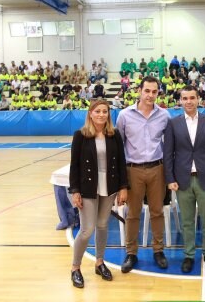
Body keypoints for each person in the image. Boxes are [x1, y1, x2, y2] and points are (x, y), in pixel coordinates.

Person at [68, 99, 128, 288]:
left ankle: (99, 262)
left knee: (103, 225)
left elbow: (121, 163)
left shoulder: (114, 134)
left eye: (105, 111)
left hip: (109, 186)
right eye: (98, 111)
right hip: (88, 187)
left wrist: (123, 187)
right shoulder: (81, 135)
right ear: (90, 113)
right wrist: (75, 190)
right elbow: (74, 165)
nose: (102, 114)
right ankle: (75, 267)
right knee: (87, 230)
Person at [164, 85, 205, 273]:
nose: (188, 101)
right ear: (180, 101)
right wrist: (170, 178)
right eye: (185, 98)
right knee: (187, 220)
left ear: (199, 100)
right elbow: (168, 154)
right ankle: (189, 255)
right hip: (182, 180)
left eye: (192, 98)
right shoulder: (173, 124)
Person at [116, 76, 170, 273]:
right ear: (139, 90)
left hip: (157, 169)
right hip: (133, 170)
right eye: (147, 91)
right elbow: (118, 147)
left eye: (154, 92)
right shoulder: (124, 115)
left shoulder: (164, 116)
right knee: (133, 214)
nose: (150, 95)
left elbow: (169, 144)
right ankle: (131, 253)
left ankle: (158, 250)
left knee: (157, 211)